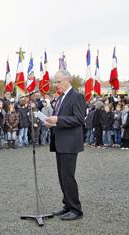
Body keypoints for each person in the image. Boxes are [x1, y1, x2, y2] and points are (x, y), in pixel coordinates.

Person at [45, 70, 85, 221]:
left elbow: (79, 119)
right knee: (62, 177)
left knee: (68, 177)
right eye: (55, 81)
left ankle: (76, 209)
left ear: (68, 80)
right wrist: (51, 123)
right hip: (60, 142)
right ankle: (67, 205)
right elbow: (59, 118)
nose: (56, 84)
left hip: (69, 143)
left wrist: (58, 120)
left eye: (59, 81)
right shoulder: (61, 97)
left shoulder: (77, 96)